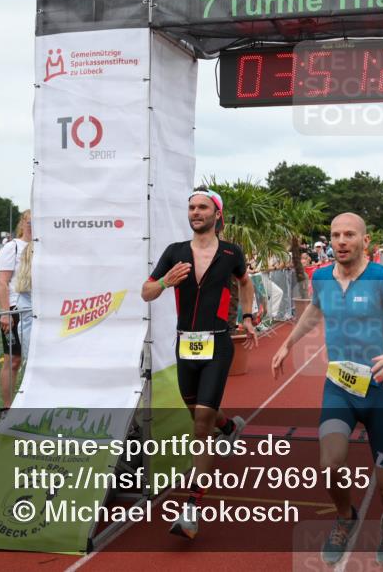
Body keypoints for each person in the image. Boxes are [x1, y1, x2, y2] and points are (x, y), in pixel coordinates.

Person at [271, 213, 383, 566]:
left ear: (364, 241)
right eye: (335, 235)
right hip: (338, 389)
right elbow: (312, 315)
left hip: (379, 392)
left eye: (349, 234)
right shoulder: (321, 278)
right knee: (329, 465)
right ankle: (345, 517)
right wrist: (287, 345)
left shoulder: (381, 278)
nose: (340, 241)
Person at [141, 189, 258, 540]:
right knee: (197, 414)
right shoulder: (175, 252)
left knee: (200, 426)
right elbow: (146, 291)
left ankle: (191, 508)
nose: (195, 212)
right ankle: (229, 427)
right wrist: (164, 282)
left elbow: (246, 281)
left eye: (202, 207)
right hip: (185, 345)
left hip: (218, 343)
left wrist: (248, 315)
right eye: (191, 207)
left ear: (216, 214)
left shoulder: (230, 252)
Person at [0, 211, 31, 409]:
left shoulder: (43, 247)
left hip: (37, 312)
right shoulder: (13, 247)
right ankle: (7, 408)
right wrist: (5, 313)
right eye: (29, 222)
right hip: (16, 310)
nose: (32, 225)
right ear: (22, 223)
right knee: (14, 360)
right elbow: (2, 282)